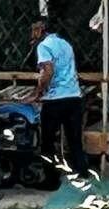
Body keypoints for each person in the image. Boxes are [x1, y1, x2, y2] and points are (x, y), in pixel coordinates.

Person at [28, 16, 87, 177]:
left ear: (41, 29)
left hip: (55, 100)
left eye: (34, 29)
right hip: (74, 97)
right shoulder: (66, 44)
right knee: (75, 141)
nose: (32, 33)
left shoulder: (44, 46)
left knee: (48, 142)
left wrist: (38, 92)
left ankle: (50, 179)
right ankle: (83, 175)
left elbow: (48, 71)